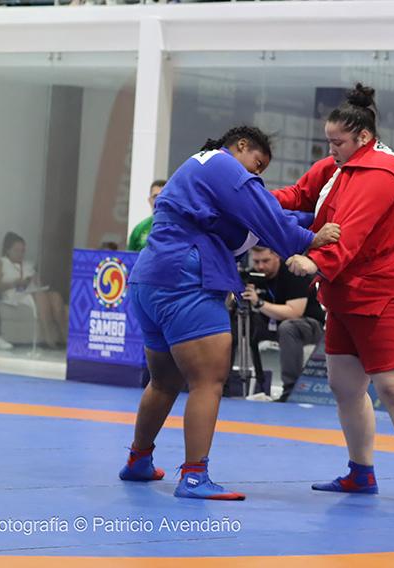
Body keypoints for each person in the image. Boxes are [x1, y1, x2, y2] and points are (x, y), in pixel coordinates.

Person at [119, 125, 340, 500]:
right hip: (186, 280)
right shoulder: (224, 166)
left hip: (149, 280)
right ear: (240, 146)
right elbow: (265, 214)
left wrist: (306, 220)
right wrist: (310, 238)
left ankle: (138, 460)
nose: (257, 174)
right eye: (257, 163)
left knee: (164, 381)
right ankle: (194, 477)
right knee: (209, 380)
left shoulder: (201, 173)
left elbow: (257, 221)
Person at [277, 83, 394, 508]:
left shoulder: (382, 171)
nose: (331, 150)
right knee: (344, 385)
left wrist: (316, 261)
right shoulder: (339, 166)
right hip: (345, 293)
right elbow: (298, 195)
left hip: (389, 293)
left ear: (363, 137)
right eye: (328, 141)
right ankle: (360, 473)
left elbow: (350, 230)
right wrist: (248, 201)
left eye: (337, 142)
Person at [235, 245, 325, 402]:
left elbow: (294, 313)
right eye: (256, 262)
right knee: (236, 322)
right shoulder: (254, 276)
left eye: (265, 261)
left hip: (308, 325)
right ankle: (224, 384)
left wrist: (259, 303)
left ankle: (290, 391)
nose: (260, 266)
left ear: (277, 256)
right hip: (273, 323)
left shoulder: (294, 272)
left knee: (288, 327)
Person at [0, 232, 68, 348]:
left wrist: (35, 281)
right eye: (16, 250)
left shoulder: (28, 265)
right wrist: (15, 283)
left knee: (55, 296)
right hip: (12, 293)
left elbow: (38, 285)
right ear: (8, 250)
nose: (20, 254)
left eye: (22, 251)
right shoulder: (1, 262)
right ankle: (48, 336)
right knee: (41, 296)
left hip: (31, 291)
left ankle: (65, 334)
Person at [127, 179, 167, 252]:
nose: (159, 200)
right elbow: (129, 257)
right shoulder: (140, 229)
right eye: (155, 196)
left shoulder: (179, 228)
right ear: (149, 200)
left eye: (163, 196)